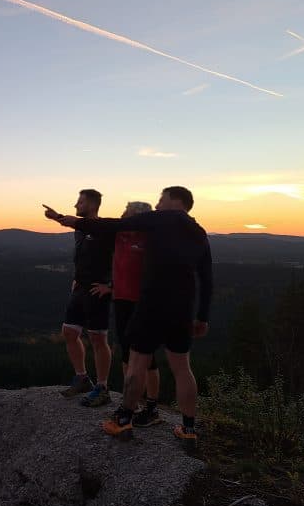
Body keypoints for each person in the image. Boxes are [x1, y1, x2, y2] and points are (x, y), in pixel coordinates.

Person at [46, 186, 212, 444]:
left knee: (136, 362)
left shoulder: (157, 220)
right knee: (182, 368)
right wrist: (202, 317)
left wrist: (69, 220)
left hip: (151, 304)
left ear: (175, 200)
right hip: (183, 308)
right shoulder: (199, 233)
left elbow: (113, 225)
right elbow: (206, 278)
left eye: (161, 199)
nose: (158, 205)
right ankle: (189, 429)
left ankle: (123, 420)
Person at [94, 201, 163, 427]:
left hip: (144, 303)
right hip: (121, 300)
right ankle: (131, 402)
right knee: (126, 353)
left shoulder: (151, 239)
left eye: (126, 213)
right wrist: (111, 286)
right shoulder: (120, 235)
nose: (122, 216)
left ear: (137, 217)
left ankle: (151, 406)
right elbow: (96, 226)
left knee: (147, 357)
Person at [45, 189, 114, 407]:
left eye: (80, 202)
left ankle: (102, 388)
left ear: (92, 205)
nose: (76, 206)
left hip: (97, 290)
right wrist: (56, 217)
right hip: (80, 288)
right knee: (69, 332)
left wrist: (110, 286)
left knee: (97, 338)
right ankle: (82, 378)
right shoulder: (81, 229)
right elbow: (71, 224)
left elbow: (123, 259)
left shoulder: (105, 229)